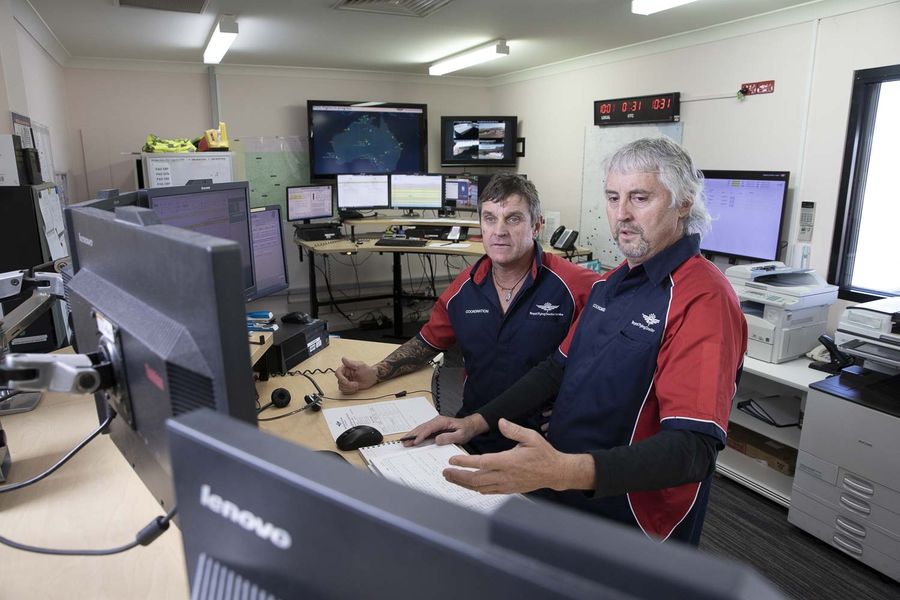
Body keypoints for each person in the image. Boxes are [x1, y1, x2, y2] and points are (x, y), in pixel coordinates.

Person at [405, 138, 748, 545]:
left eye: (640, 197)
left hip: (630, 519)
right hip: (564, 487)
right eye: (613, 197)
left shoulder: (703, 298)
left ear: (684, 202)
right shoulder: (611, 285)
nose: (622, 215)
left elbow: (693, 450)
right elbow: (555, 370)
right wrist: (471, 423)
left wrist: (562, 470)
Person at [335, 173, 601, 453]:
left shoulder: (579, 286)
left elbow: (618, 359)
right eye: (489, 218)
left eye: (513, 218)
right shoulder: (462, 291)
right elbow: (426, 344)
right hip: (472, 431)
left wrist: (577, 405)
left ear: (536, 226)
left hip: (544, 442)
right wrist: (375, 372)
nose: (499, 230)